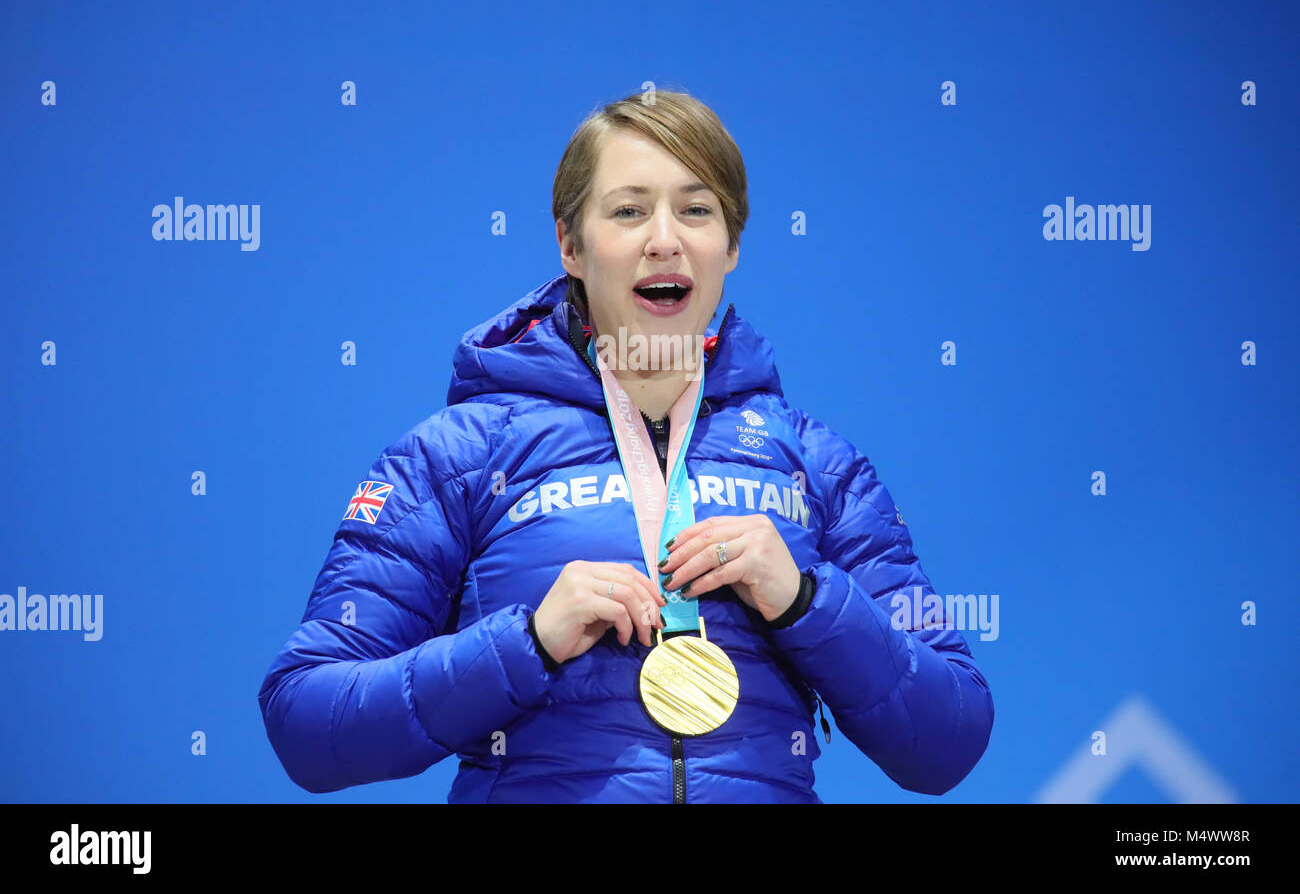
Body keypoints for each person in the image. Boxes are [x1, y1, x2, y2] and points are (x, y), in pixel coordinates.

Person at [258, 88, 994, 802]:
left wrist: (806, 600)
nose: (665, 239)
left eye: (697, 209)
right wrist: (527, 643)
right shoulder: (457, 457)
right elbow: (307, 719)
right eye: (629, 211)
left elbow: (950, 736)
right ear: (571, 244)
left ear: (731, 245)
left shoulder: (818, 466)